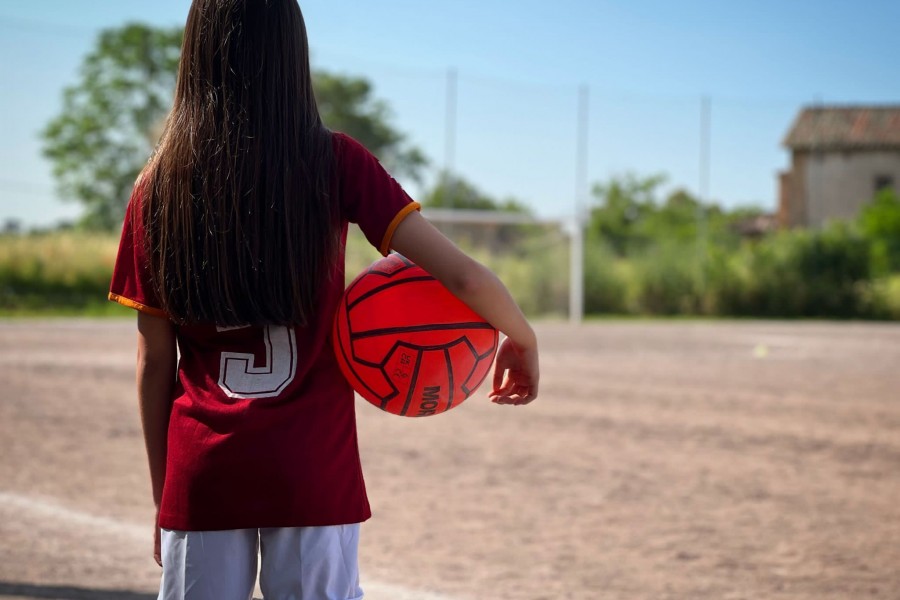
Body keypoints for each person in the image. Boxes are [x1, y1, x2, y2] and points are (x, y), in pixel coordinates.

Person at [108, 1, 539, 599]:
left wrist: (165, 492)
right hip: (312, 464)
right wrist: (522, 335)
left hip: (203, 467)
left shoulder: (155, 188)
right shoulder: (336, 161)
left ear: (195, 55)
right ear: (293, 55)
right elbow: (463, 279)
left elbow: (155, 363)